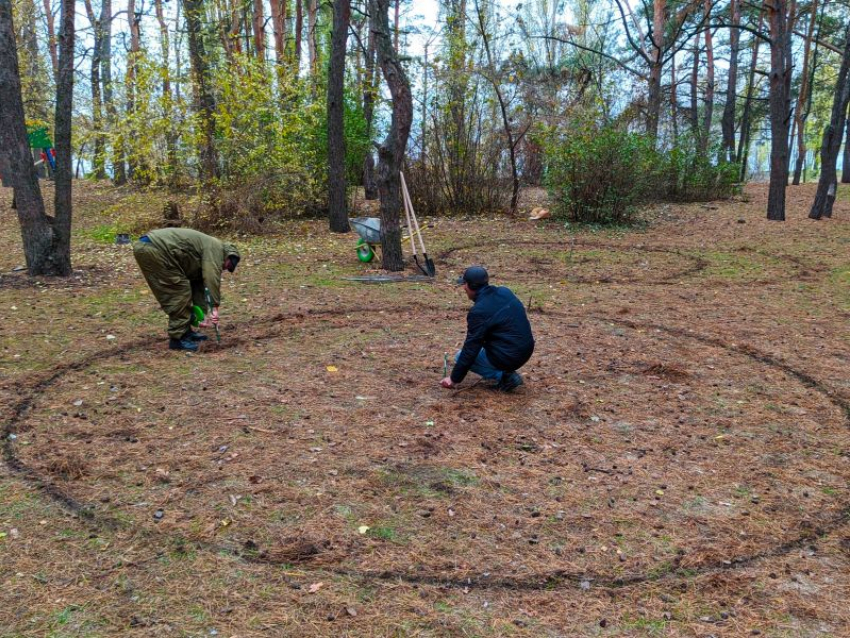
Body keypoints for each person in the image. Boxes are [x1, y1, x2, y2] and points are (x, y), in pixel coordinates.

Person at [133, 228, 240, 352]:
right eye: (227, 266)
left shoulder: (208, 252)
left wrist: (202, 315)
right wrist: (215, 308)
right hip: (154, 248)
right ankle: (178, 339)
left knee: (183, 288)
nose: (223, 269)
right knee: (179, 291)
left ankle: (185, 332)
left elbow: (199, 285)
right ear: (227, 256)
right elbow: (211, 277)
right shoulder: (215, 248)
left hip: (154, 247)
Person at [440, 265, 534, 392]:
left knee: (459, 355)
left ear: (469, 286)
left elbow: (471, 347)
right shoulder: (504, 291)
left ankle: (506, 377)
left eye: (464, 284)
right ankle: (502, 369)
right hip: (526, 348)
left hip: (510, 355)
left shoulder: (479, 312)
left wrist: (454, 379)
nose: (464, 288)